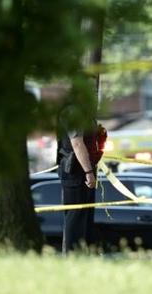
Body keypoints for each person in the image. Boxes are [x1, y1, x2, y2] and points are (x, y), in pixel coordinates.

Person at [56, 105, 106, 254]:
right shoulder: (73, 112)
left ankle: (83, 255)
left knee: (84, 218)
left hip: (81, 172)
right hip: (75, 172)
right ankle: (73, 256)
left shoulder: (84, 112)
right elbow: (77, 144)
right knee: (76, 218)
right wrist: (89, 172)